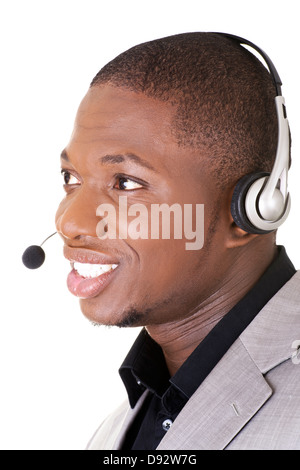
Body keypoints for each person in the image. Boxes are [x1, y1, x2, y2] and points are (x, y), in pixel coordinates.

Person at [55, 32, 300, 450]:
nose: (69, 221)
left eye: (126, 183)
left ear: (248, 211)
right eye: (71, 179)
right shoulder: (121, 426)